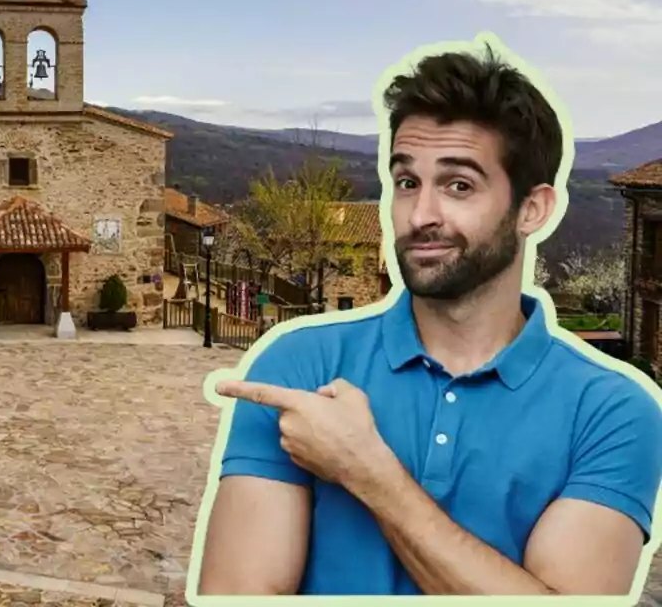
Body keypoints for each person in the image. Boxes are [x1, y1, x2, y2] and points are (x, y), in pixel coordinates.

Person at [197, 47, 662, 596]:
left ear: (533, 209)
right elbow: (241, 593)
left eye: (459, 185)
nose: (420, 216)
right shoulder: (299, 365)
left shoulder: (612, 412)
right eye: (408, 182)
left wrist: (370, 475)